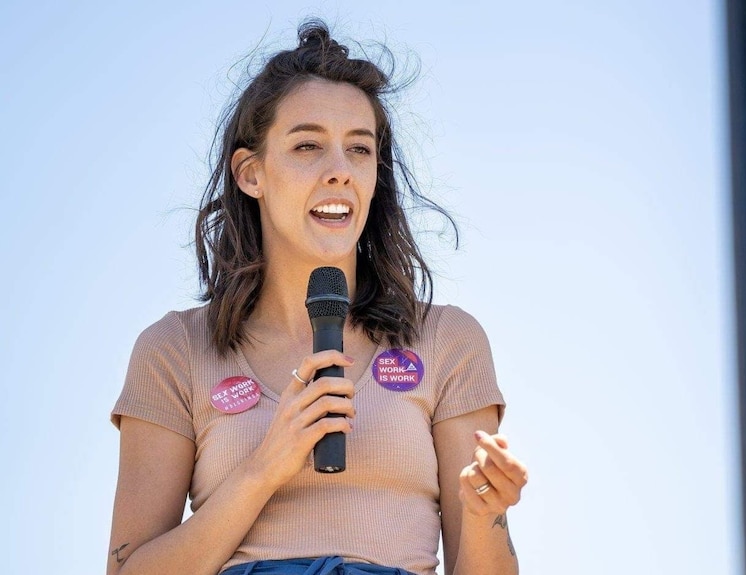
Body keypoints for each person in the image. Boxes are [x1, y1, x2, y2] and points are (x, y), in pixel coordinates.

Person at [107, 19, 528, 575]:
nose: (339, 172)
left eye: (359, 149)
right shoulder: (174, 349)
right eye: (308, 145)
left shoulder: (449, 339)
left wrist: (484, 515)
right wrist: (263, 468)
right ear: (251, 172)